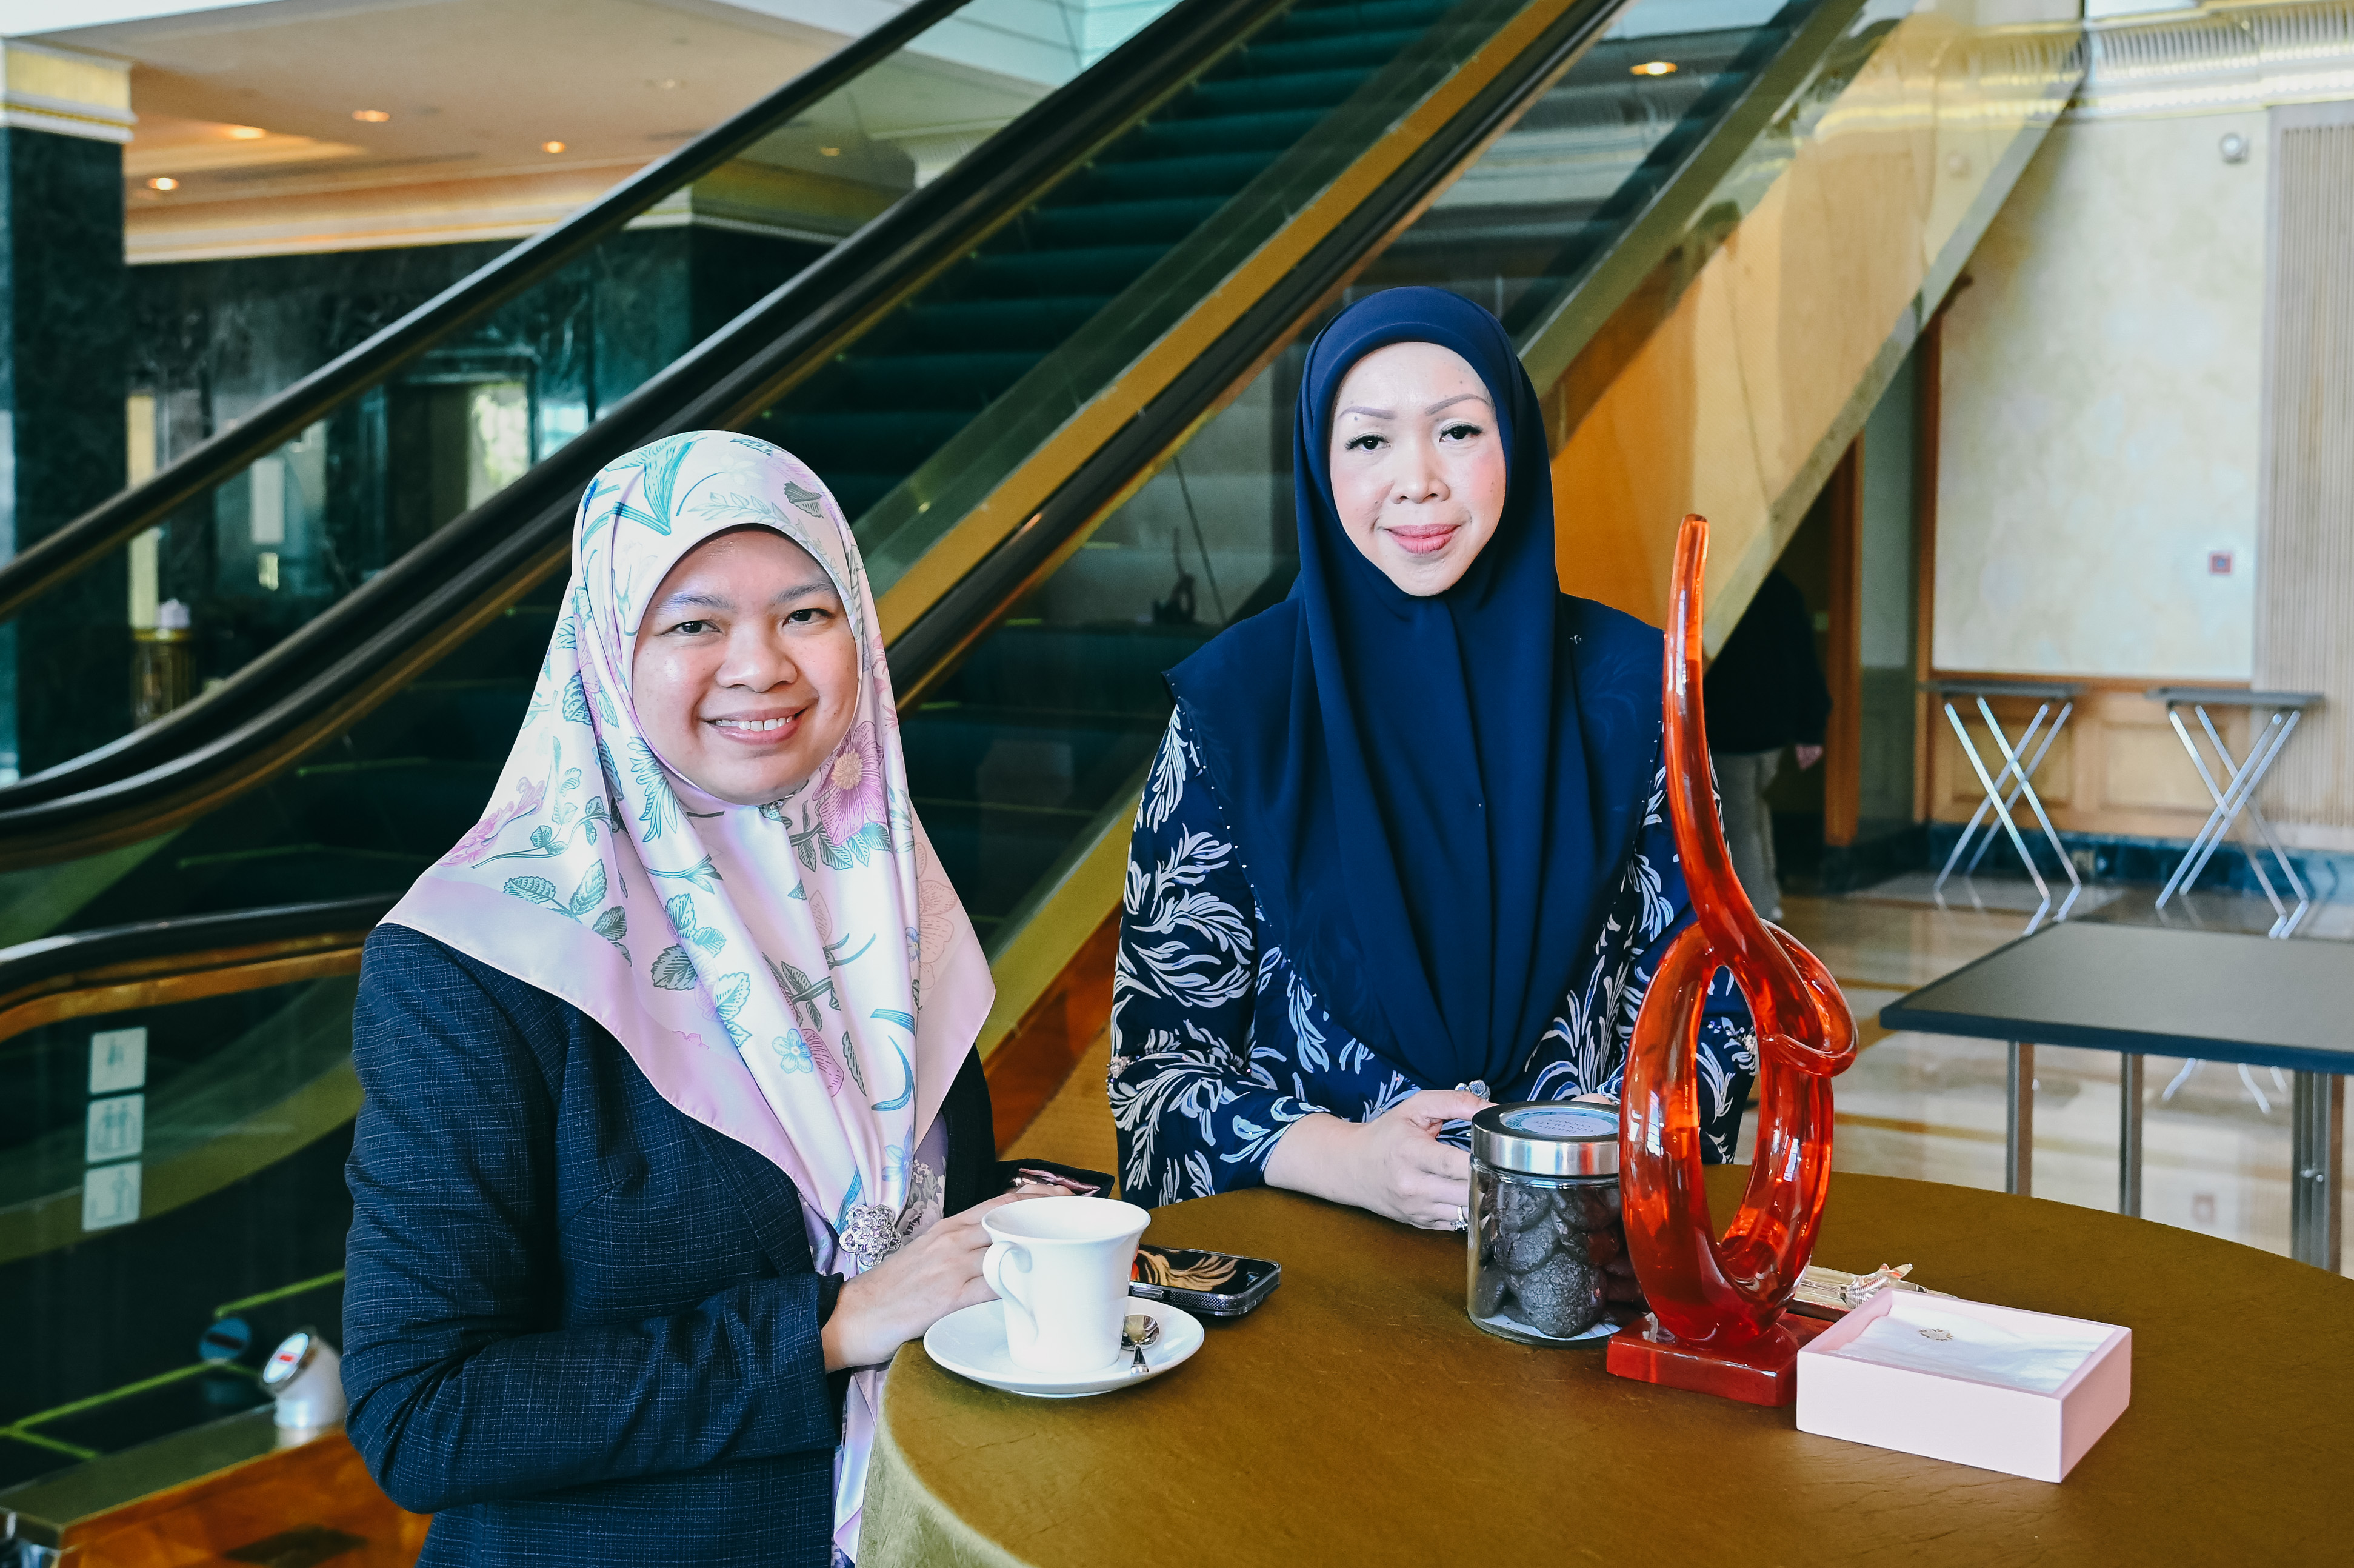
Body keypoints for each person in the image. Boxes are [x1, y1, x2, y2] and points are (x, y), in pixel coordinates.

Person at [341, 432, 1027, 1567]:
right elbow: (423, 1409)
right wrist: (830, 1327)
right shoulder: (472, 959)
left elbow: (896, 1211)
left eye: (805, 613)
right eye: (694, 624)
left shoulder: (878, 889)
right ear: (608, 648)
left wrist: (1025, 1222)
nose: (760, 665)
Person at [1108, 288, 1756, 1227]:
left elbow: (1716, 1015)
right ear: (1318, 463)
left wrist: (1586, 1154)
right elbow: (1157, 1084)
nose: (1418, 481)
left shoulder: (1633, 693)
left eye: (1457, 431)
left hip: (1580, 1256)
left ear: (1515, 443)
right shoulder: (1237, 710)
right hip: (1315, 1270)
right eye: (1369, 440)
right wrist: (1350, 1160)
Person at [1701, 567, 1831, 923]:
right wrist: (1810, 729)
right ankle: (1768, 900)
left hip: (1731, 729)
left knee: (1739, 824)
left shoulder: (1720, 590)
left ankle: (1754, 915)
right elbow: (1805, 661)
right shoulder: (1783, 590)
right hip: (1774, 730)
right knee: (1755, 815)